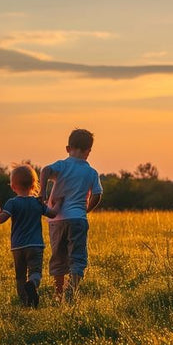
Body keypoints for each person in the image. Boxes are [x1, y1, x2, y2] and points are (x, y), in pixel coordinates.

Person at [39, 129, 102, 302]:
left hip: (56, 219)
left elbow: (44, 170)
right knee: (77, 257)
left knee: (58, 256)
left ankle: (59, 293)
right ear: (89, 151)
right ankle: (72, 290)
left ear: (68, 148)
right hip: (78, 219)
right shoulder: (91, 173)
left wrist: (42, 192)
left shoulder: (62, 165)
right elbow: (97, 194)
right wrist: (87, 209)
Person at [0, 164, 60, 306]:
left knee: (20, 276)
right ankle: (33, 284)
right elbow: (53, 214)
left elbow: (0, 219)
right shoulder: (37, 203)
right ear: (33, 185)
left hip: (17, 247)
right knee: (35, 272)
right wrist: (59, 203)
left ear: (12, 186)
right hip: (35, 245)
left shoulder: (12, 203)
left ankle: (25, 302)